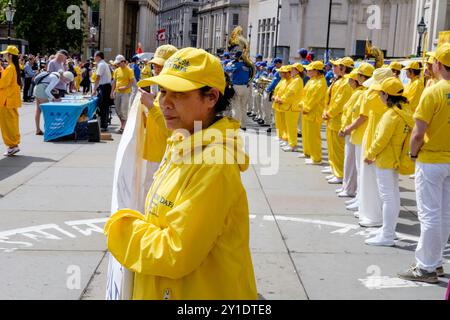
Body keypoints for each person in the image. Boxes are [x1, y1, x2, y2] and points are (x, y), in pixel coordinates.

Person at [104, 47, 258, 300]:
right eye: (163, 91)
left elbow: (175, 252)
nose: (164, 102)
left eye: (179, 94)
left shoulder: (213, 164)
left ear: (211, 98)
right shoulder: (183, 143)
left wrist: (120, 229)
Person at [398, 43, 450, 284]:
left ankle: (426, 267)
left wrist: (412, 154)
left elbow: (418, 134)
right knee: (445, 214)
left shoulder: (434, 91)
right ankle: (436, 262)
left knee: (430, 215)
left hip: (431, 160)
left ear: (438, 64)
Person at [364, 77, 414, 246]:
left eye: (380, 93)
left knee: (387, 197)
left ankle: (387, 235)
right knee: (393, 195)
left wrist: (369, 154)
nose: (379, 96)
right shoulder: (405, 110)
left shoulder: (391, 115)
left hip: (386, 159)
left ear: (386, 95)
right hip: (395, 158)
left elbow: (381, 140)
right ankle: (388, 229)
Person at [356, 67, 394, 226]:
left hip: (375, 140)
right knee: (379, 183)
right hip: (379, 139)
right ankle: (372, 213)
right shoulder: (394, 96)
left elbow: (363, 112)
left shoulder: (372, 96)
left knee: (372, 181)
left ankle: (373, 216)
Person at [140, 44, 178, 195]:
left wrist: (150, 106)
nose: (156, 70)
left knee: (155, 193)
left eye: (161, 66)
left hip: (163, 155)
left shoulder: (175, 92)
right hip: (155, 153)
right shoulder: (162, 91)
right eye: (155, 66)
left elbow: (172, 130)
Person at [338, 64, 373, 198]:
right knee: (352, 164)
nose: (351, 81)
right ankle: (349, 189)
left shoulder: (363, 93)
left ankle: (351, 190)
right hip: (353, 131)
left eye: (357, 76)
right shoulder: (359, 93)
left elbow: (360, 116)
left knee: (354, 165)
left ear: (362, 77)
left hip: (356, 131)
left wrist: (347, 129)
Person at [324, 57, 354, 185]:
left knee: (338, 148)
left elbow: (340, 102)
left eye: (336, 66)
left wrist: (329, 113)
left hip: (337, 118)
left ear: (343, 68)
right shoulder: (339, 80)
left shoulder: (346, 82)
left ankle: (340, 173)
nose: (333, 68)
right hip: (332, 118)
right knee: (332, 146)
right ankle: (335, 169)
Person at [299, 61, 327, 165]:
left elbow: (315, 98)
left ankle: (316, 158)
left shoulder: (321, 83)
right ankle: (307, 152)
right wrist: (302, 105)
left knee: (314, 136)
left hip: (314, 112)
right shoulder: (312, 80)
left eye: (310, 70)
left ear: (316, 71)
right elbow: (304, 94)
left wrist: (306, 107)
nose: (308, 71)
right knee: (306, 134)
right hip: (306, 111)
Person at [33, 71, 75, 135]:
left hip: (37, 88)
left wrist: (53, 89)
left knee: (38, 110)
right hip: (41, 90)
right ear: (65, 78)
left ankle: (38, 129)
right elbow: (47, 91)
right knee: (47, 111)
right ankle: (49, 130)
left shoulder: (56, 74)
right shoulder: (56, 78)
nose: (65, 83)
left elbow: (45, 83)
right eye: (67, 81)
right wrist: (54, 99)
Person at [275, 63, 304, 152]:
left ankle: (292, 145)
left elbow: (290, 92)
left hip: (293, 106)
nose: (291, 71)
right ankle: (290, 143)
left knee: (291, 127)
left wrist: (282, 99)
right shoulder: (295, 79)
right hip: (289, 106)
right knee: (288, 126)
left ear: (297, 71)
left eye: (293, 69)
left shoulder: (297, 80)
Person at [0, 46, 22, 156]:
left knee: (7, 124)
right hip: (11, 100)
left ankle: (12, 145)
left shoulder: (10, 68)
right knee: (12, 123)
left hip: (6, 100)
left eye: (5, 54)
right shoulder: (13, 67)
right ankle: (13, 144)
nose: (4, 56)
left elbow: (2, 84)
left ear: (10, 55)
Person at [224, 51, 252, 130]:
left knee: (236, 106)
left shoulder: (237, 64)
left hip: (237, 87)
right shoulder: (248, 66)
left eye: (236, 56)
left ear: (238, 57)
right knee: (243, 107)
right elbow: (250, 74)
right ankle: (243, 125)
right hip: (245, 87)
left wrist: (228, 64)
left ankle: (235, 124)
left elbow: (227, 70)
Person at [111, 55, 136, 134]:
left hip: (125, 93)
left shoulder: (129, 70)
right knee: (118, 110)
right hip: (117, 92)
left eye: (118, 63)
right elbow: (114, 82)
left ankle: (123, 127)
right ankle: (123, 124)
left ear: (123, 62)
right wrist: (112, 92)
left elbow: (132, 82)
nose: (117, 65)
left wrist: (125, 87)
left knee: (123, 109)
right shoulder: (116, 70)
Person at [92, 51, 113, 131]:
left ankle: (103, 125)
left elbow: (98, 77)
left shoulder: (101, 64)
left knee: (103, 106)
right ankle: (104, 124)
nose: (94, 58)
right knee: (105, 106)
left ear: (98, 57)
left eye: (94, 56)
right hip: (106, 86)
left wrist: (94, 89)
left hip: (104, 87)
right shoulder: (105, 64)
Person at [272, 65, 292, 145]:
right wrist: (275, 96)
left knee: (284, 123)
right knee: (278, 121)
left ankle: (285, 138)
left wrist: (279, 98)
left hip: (282, 103)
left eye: (282, 72)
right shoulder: (282, 80)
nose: (280, 73)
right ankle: (279, 135)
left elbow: (286, 93)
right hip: (278, 103)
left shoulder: (289, 81)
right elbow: (278, 90)